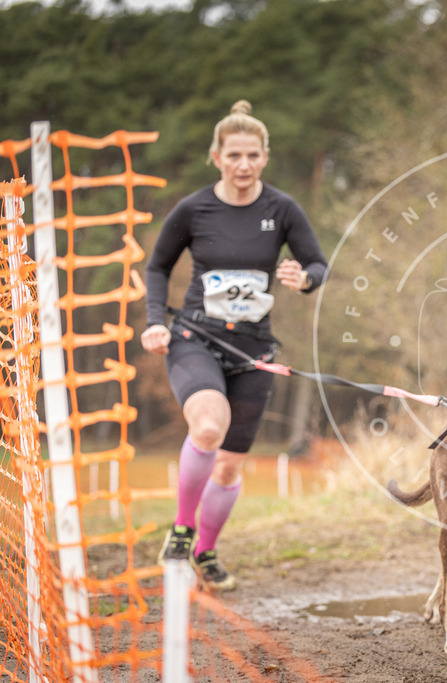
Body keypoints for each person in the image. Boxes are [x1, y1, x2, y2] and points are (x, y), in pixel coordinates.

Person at [143, 100, 328, 591]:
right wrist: (154, 322)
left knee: (227, 466)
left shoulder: (282, 209)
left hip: (255, 351)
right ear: (216, 156)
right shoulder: (195, 209)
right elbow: (157, 266)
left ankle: (206, 552)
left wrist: (304, 277)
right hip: (196, 336)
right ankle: (183, 530)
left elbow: (318, 264)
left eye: (252, 155)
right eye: (233, 156)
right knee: (207, 427)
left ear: (264, 157)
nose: (243, 165)